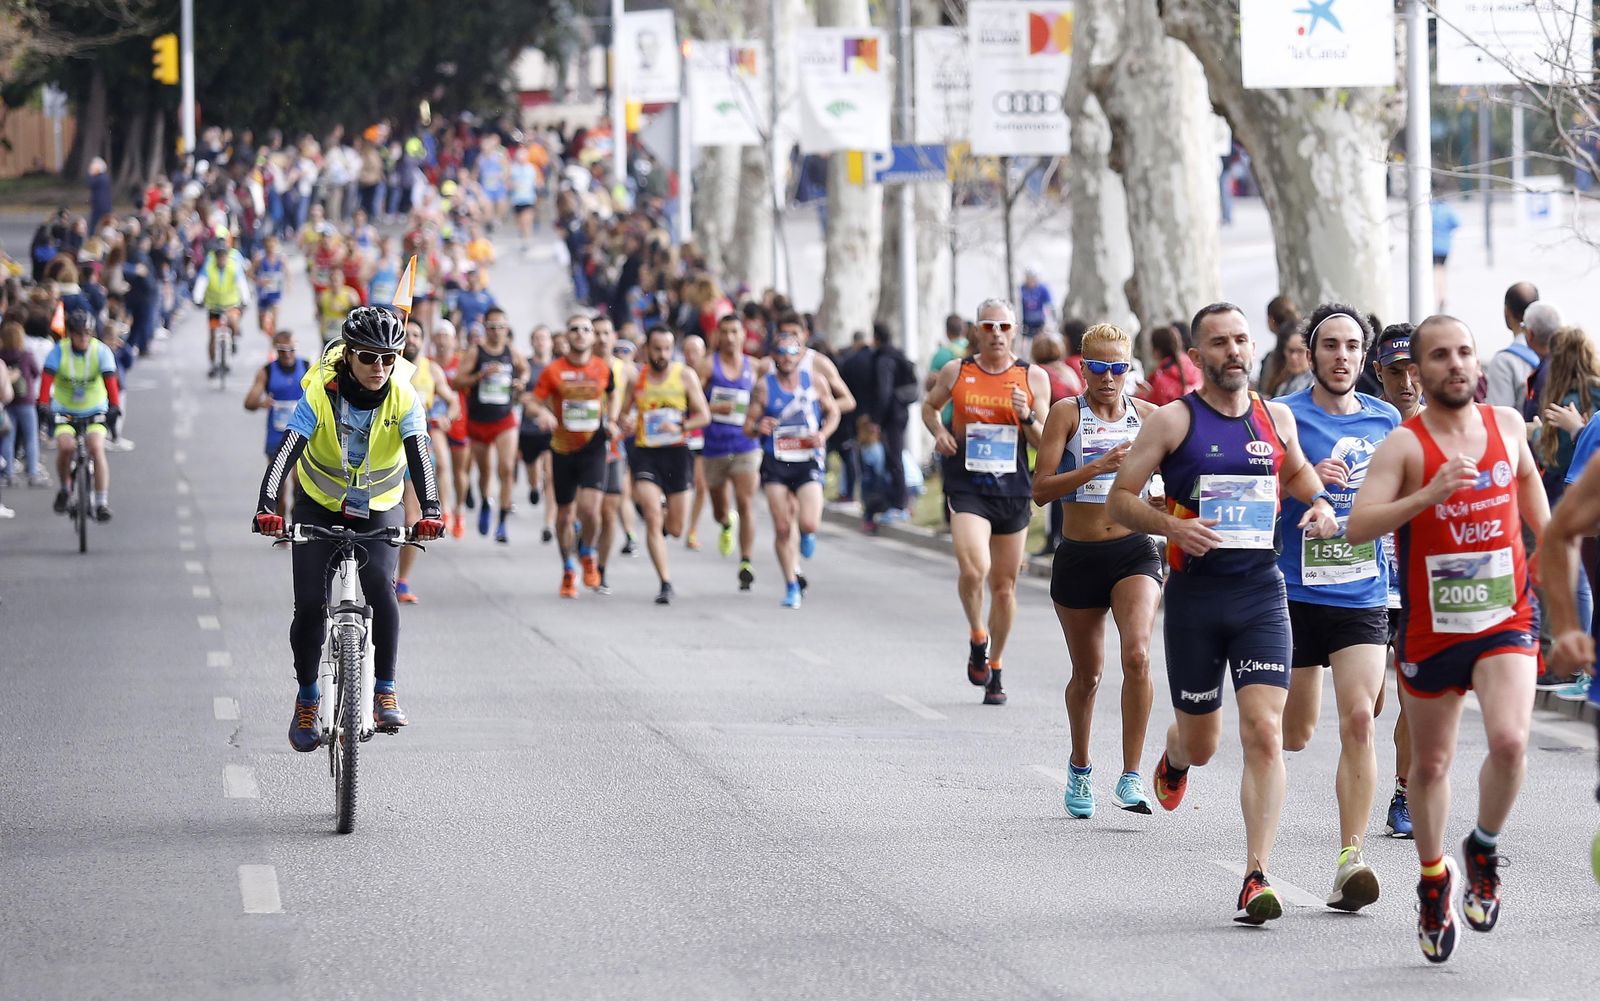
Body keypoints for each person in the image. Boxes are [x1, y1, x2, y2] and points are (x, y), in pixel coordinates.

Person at [1107, 301, 1339, 925]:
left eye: (1240, 340)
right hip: (1196, 599)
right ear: (1197, 353)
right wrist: (1170, 531)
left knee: (1265, 731)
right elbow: (1120, 499)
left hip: (1262, 591)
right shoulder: (1174, 422)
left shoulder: (1274, 415)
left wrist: (1319, 504)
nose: (1234, 351)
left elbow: (1296, 476)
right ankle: (1177, 754)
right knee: (1206, 742)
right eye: (1219, 343)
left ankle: (1255, 873)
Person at [1348, 315, 1548, 964]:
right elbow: (1359, 525)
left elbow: (1542, 524)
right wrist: (1428, 493)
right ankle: (1434, 878)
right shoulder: (1403, 447)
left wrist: (1568, 609)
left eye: (1464, 351)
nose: (1455, 363)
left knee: (1511, 741)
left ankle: (1482, 845)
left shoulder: (1508, 429)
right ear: (1418, 372)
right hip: (1433, 626)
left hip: (1504, 617)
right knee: (1429, 766)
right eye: (1440, 355)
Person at [252, 306, 445, 751]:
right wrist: (267, 504)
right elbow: (285, 453)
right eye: (369, 358)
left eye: (389, 358)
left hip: (378, 506)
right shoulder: (320, 393)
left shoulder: (402, 395)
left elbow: (420, 457)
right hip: (318, 506)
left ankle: (384, 688)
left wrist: (430, 510)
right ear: (349, 357)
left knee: (382, 584)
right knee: (308, 606)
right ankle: (307, 696)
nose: (379, 368)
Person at [1272, 305, 1402, 913]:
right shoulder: (1284, 417)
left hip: (1362, 594)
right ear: (1312, 353)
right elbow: (1252, 496)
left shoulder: (1387, 419)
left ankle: (1351, 860)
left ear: (1364, 355)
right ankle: (1182, 744)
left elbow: (1398, 501)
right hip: (1295, 595)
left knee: (1358, 720)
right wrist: (1299, 481)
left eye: (1352, 345)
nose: (1342, 355)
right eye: (1330, 345)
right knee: (1294, 735)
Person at [1032, 322, 1161, 819]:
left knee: (1139, 656)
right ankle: (1081, 766)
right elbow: (1041, 490)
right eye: (1098, 367)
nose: (1109, 377)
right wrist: (1096, 468)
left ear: (1130, 369)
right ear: (1082, 367)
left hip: (1133, 551)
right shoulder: (1067, 413)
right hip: (1080, 554)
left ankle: (1131, 775)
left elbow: (1166, 487)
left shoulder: (1148, 417)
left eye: (1118, 367)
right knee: (1088, 675)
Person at [922, 298, 1052, 706]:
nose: (996, 333)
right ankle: (978, 633)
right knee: (974, 569)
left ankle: (995, 665)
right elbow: (929, 407)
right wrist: (938, 433)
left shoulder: (1033, 377)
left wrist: (1027, 415)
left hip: (1012, 488)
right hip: (967, 485)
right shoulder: (958, 371)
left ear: (1015, 331)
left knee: (1004, 587)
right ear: (976, 331)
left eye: (1003, 326)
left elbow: (1046, 439)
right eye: (988, 325)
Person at [745, 316, 840, 609]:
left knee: (808, 522)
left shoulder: (815, 381)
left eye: (791, 353)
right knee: (783, 527)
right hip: (776, 462)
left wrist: (823, 434)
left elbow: (833, 412)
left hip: (807, 460)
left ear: (800, 355)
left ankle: (809, 535)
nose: (786, 359)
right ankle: (790, 584)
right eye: (780, 353)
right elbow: (748, 425)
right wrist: (759, 426)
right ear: (773, 357)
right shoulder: (764, 387)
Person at [1370, 325, 1423, 839]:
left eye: (1414, 371)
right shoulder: (1364, 424)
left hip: (1414, 586)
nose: (1406, 383)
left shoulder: (1444, 429)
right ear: (1378, 373)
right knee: (1369, 703)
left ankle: (1402, 794)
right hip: (1362, 579)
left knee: (1413, 699)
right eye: (1395, 372)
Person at [525, 313, 619, 598]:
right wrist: (542, 413)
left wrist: (612, 419)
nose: (580, 333)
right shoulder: (553, 370)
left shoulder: (603, 368)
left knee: (591, 511)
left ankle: (588, 553)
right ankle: (568, 567)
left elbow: (613, 394)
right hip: (562, 449)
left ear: (593, 336)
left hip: (593, 447)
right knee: (565, 517)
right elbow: (531, 401)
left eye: (586, 329)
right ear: (567, 336)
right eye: (574, 329)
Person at [619, 327, 712, 604]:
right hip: (646, 452)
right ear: (647, 349)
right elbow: (624, 413)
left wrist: (681, 424)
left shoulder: (684, 375)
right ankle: (665, 582)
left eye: (667, 349)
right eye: (656, 349)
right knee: (651, 513)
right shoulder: (638, 378)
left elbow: (703, 415)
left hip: (677, 453)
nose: (662, 355)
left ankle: (661, 525)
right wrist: (624, 422)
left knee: (675, 528)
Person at [395, 318, 459, 603]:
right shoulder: (386, 366)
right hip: (381, 453)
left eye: (416, 335)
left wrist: (448, 416)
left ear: (423, 341)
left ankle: (402, 580)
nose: (411, 339)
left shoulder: (431, 370)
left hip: (415, 452)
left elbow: (453, 400)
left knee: (412, 521)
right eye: (406, 334)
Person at [698, 312, 762, 589]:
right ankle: (726, 523)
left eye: (735, 332)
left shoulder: (756, 367)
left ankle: (746, 560)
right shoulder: (706, 367)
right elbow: (692, 403)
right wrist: (713, 408)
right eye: (724, 332)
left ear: (743, 335)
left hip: (746, 444)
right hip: (714, 446)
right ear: (717, 336)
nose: (729, 338)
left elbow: (765, 400)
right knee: (719, 509)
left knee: (746, 501)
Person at [452, 307, 527, 543]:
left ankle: (502, 521)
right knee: (485, 470)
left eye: (501, 327)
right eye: (492, 327)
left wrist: (520, 382)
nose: (496, 332)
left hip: (505, 419)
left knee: (505, 467)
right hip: (479, 420)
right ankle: (486, 501)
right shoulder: (476, 352)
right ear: (485, 329)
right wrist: (479, 377)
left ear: (507, 329)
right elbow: (456, 382)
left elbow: (524, 371)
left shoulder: (511, 351)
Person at [38, 309, 121, 521]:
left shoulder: (100, 351)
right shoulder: (59, 351)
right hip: (65, 410)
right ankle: (66, 488)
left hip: (94, 408)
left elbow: (111, 383)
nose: (84, 337)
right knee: (66, 447)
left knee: (95, 447)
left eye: (87, 333)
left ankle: (101, 502)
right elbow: (46, 382)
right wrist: (44, 406)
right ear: (70, 334)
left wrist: (114, 407)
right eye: (78, 333)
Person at [242, 330, 309, 519]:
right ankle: (280, 524)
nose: (287, 355)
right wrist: (262, 403)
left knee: (299, 482)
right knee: (279, 486)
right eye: (282, 351)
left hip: (301, 433)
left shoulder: (306, 367)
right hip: (276, 437)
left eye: (291, 350)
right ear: (275, 350)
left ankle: (297, 516)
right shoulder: (267, 372)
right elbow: (249, 402)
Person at [1031, 332, 1086, 554]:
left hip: (1055, 433)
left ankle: (1053, 538)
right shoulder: (1068, 370)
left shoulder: (1042, 374)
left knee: (1051, 485)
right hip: (1077, 432)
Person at [870, 322, 918, 524]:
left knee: (894, 458)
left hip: (892, 415)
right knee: (895, 457)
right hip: (901, 412)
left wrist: (877, 419)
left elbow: (884, 391)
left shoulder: (884, 360)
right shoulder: (897, 354)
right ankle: (899, 500)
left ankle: (900, 503)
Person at [191, 238, 253, 377]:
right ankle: (213, 364)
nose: (221, 260)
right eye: (219, 257)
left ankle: (233, 339)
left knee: (233, 322)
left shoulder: (233, 267)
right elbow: (201, 283)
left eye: (224, 257)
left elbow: (242, 283)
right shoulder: (209, 267)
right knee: (213, 335)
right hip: (214, 306)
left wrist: (245, 299)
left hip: (231, 304)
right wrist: (197, 299)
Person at [520, 324, 557, 544]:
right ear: (532, 342)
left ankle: (549, 524)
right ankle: (534, 487)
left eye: (545, 338)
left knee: (551, 476)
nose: (541, 342)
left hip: (553, 429)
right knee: (533, 470)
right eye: (537, 339)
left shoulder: (558, 366)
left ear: (551, 342)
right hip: (529, 427)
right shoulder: (526, 367)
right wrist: (537, 405)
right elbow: (521, 396)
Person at [1482, 282, 1541, 410]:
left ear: (1506, 312)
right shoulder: (1554, 353)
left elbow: (1499, 415)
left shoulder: (1504, 362)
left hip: (1524, 429)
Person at [1144, 323, 1200, 407]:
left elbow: (1153, 412)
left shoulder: (1161, 381)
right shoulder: (1196, 367)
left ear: (1157, 351)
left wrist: (1142, 395)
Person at [254, 234, 288, 336]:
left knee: (275, 319)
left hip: (276, 292)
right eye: (268, 244)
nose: (271, 246)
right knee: (261, 325)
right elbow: (250, 274)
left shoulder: (281, 258)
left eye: (273, 243)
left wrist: (288, 284)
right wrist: (259, 281)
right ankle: (268, 330)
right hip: (263, 292)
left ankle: (273, 340)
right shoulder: (259, 258)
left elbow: (287, 272)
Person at [1018, 267, 1053, 343]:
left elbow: (1048, 306)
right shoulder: (1021, 289)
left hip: (1040, 322)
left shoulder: (1043, 289)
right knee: (1024, 342)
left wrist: (1049, 322)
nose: (1031, 281)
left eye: (1033, 278)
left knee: (1040, 341)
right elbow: (1018, 306)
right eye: (1029, 278)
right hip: (1026, 322)